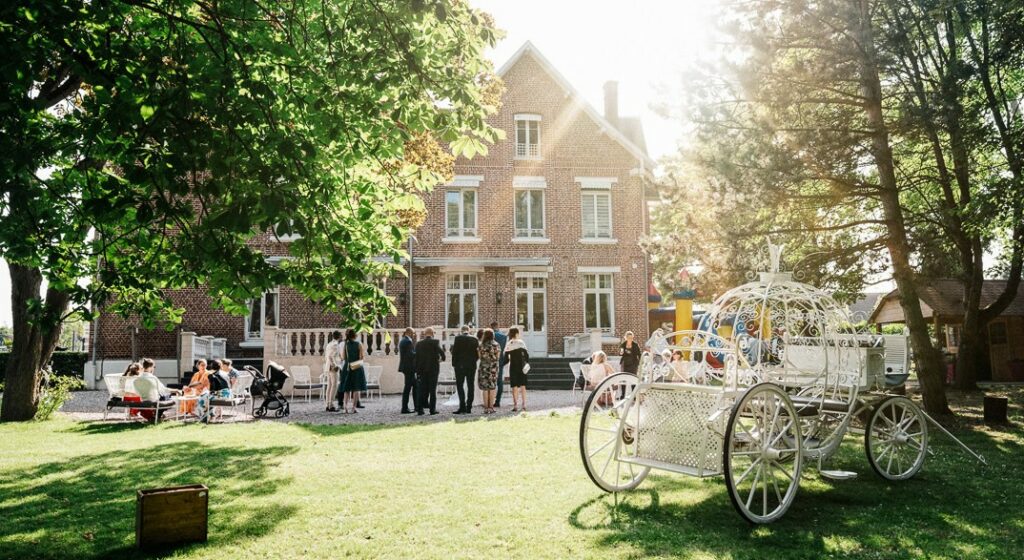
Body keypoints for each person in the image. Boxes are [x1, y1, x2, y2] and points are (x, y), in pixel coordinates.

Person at [136, 357, 180, 422]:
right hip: (154, 400)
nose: (154, 369)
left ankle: (156, 416)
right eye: (154, 367)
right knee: (168, 397)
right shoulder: (152, 378)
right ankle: (158, 416)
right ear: (150, 367)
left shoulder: (137, 379)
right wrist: (176, 390)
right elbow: (164, 390)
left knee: (163, 396)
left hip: (143, 400)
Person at [414, 327, 445, 415]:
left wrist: (417, 370)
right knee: (432, 390)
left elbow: (416, 358)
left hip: (422, 370)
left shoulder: (419, 344)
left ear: (425, 333)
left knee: (421, 390)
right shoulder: (435, 342)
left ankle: (420, 410)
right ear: (432, 333)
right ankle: (432, 410)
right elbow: (442, 354)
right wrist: (440, 360)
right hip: (433, 369)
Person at [451, 325, 479, 415]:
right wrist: (474, 361)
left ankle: (462, 406)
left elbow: (454, 352)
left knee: (460, 386)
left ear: (461, 331)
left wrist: (454, 364)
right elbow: (477, 354)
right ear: (469, 330)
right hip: (471, 365)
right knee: (471, 385)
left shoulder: (458, 338)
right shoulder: (474, 339)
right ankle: (469, 407)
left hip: (460, 366)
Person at [340, 329, 367, 414]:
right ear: (355, 335)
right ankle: (354, 408)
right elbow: (362, 357)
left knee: (346, 389)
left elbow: (343, 357)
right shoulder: (359, 344)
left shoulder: (345, 345)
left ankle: (345, 408)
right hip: (357, 367)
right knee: (356, 388)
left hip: (347, 367)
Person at [504, 327, 529, 412]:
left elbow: (506, 359)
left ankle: (515, 405)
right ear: (517, 333)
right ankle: (524, 404)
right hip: (522, 366)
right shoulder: (521, 342)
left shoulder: (509, 344)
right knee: (523, 386)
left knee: (514, 386)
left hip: (513, 366)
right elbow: (526, 356)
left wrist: (501, 364)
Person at [477, 328, 500, 414]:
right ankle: (491, 407)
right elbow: (498, 357)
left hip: (484, 367)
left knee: (485, 388)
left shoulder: (481, 345)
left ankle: (486, 408)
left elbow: (479, 357)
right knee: (493, 387)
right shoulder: (496, 345)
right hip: (493, 367)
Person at [398, 328, 417, 414]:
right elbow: (410, 354)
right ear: (408, 332)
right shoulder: (408, 341)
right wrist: (419, 352)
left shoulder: (403, 340)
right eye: (413, 333)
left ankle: (416, 406)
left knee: (414, 386)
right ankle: (405, 408)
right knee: (408, 388)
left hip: (406, 367)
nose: (413, 335)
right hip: (409, 368)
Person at [323, 331, 343, 412]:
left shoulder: (329, 344)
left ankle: (328, 404)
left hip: (328, 366)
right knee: (334, 386)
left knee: (329, 386)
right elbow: (331, 356)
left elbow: (326, 356)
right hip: (333, 367)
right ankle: (331, 405)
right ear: (339, 336)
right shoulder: (335, 344)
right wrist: (335, 365)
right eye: (341, 335)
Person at [491, 322, 508, 407]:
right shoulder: (504, 336)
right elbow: (505, 350)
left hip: (491, 361)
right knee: (499, 382)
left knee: (490, 381)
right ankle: (498, 401)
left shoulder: (490, 335)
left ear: (491, 327)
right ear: (498, 327)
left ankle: (490, 400)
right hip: (500, 361)